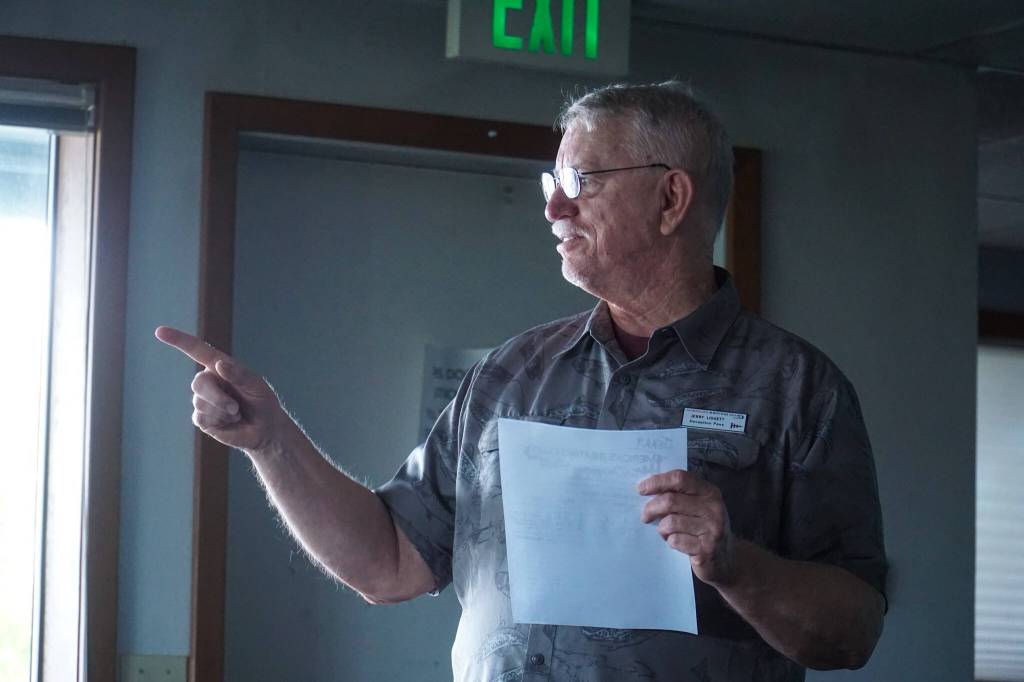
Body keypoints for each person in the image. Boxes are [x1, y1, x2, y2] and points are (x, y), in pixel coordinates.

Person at [157, 81, 886, 681]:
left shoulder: (797, 389)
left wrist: (736, 566)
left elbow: (850, 636)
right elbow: (386, 564)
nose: (553, 206)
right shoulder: (511, 374)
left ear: (670, 200)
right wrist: (271, 439)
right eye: (552, 181)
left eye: (580, 181)